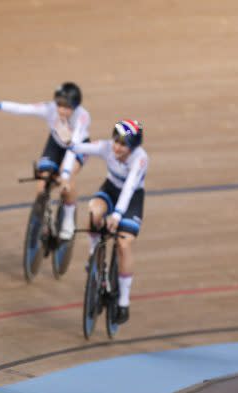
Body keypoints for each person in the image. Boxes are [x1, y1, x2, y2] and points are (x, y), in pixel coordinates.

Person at [0, 83, 91, 240]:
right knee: (41, 186)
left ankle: (68, 219)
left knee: (67, 181)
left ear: (76, 107)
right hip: (56, 143)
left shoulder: (82, 117)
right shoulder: (49, 109)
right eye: (59, 105)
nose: (62, 110)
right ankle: (45, 222)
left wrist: (65, 175)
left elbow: (72, 150)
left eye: (67, 107)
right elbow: (23, 109)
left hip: (77, 147)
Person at [68, 119, 148, 324]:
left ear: (134, 147)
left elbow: (130, 187)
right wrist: (68, 139)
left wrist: (117, 216)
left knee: (123, 243)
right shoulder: (106, 147)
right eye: (116, 141)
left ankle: (123, 301)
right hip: (110, 189)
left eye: (123, 145)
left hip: (131, 199)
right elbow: (77, 146)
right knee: (94, 213)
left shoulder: (140, 159)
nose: (117, 147)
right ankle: (93, 254)